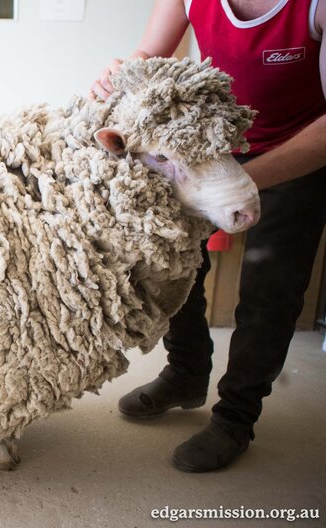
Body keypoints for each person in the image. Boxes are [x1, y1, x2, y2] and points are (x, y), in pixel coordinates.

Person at [91, 0, 326, 472]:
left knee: (270, 288)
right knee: (179, 267)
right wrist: (121, 74)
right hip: (211, 145)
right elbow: (147, 53)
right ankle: (186, 372)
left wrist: (235, 184)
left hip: (299, 152)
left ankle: (236, 417)